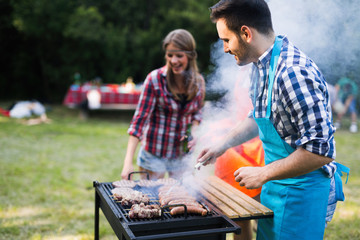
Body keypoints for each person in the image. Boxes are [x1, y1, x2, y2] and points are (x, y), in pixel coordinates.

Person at [196, 1, 349, 239]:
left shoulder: (293, 73)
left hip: (302, 195)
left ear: (246, 33)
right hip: (275, 188)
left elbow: (321, 151)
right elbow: (258, 117)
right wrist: (221, 145)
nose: (225, 48)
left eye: (227, 40)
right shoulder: (259, 64)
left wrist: (263, 173)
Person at [121, 29, 205, 180]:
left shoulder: (198, 82)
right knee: (151, 200)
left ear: (190, 56)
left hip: (181, 157)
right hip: (154, 155)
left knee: (181, 200)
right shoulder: (154, 80)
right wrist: (128, 163)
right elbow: (139, 122)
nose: (174, 60)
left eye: (179, 55)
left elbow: (197, 113)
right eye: (170, 55)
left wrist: (193, 132)